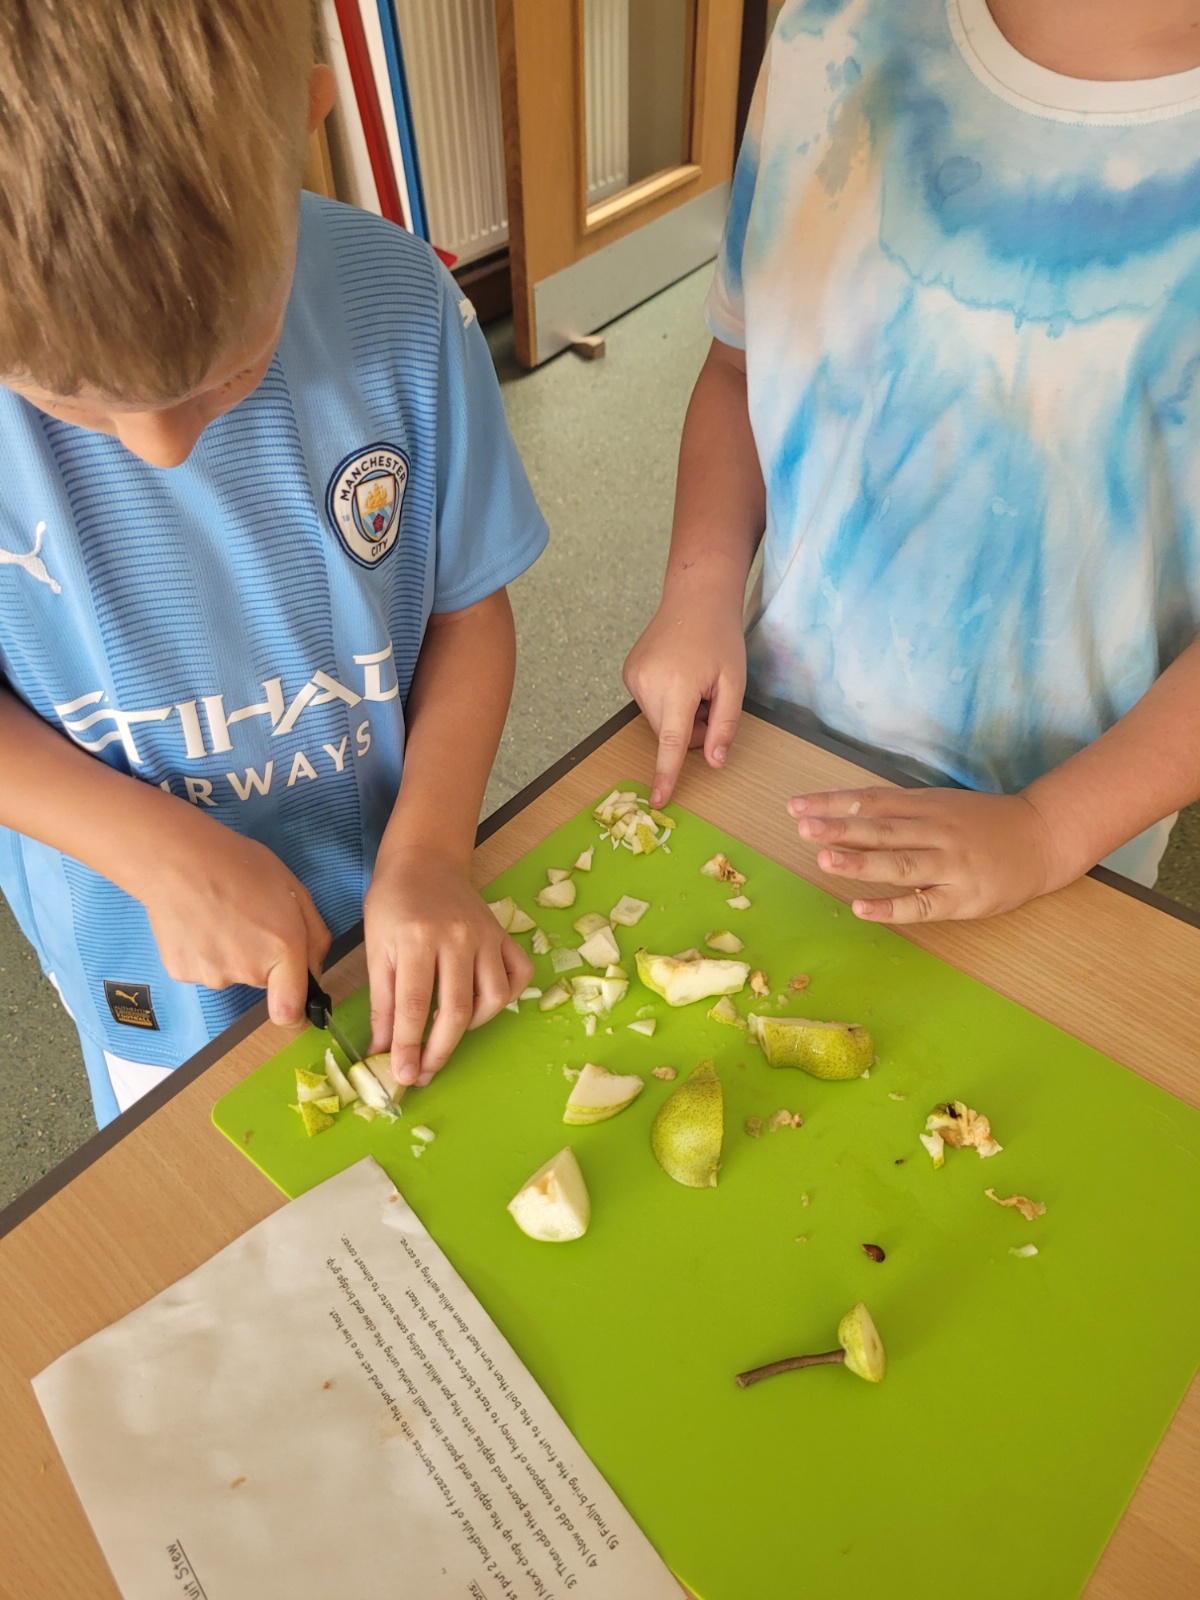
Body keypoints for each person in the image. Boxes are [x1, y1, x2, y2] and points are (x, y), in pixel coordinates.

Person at [0, 1, 545, 1126]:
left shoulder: (407, 310)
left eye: (222, 371)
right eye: (67, 400)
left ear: (307, 114)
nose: (161, 447)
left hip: (390, 905)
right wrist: (151, 850)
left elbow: (465, 613)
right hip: (140, 959)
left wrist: (433, 852)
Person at [624, 0, 1200, 925]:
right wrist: (698, 593)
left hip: (1070, 834)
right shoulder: (827, 28)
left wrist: (1049, 829)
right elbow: (738, 366)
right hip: (768, 750)